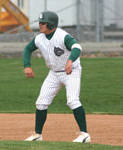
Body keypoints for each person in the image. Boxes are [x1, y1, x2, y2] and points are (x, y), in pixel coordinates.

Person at [23, 11, 91, 143]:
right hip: (54, 73)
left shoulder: (62, 36)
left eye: (43, 23)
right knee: (41, 103)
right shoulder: (40, 38)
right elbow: (27, 49)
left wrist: (70, 60)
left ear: (52, 24)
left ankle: (85, 135)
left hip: (71, 72)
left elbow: (77, 47)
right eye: (40, 22)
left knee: (72, 101)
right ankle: (38, 135)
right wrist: (27, 65)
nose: (40, 25)